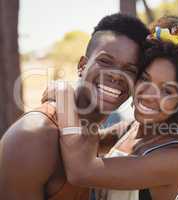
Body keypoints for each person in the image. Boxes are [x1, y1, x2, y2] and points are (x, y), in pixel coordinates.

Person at [51, 16, 178, 200]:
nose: (148, 94)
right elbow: (78, 144)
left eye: (167, 90)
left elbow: (82, 172)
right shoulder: (132, 128)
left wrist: (63, 92)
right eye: (145, 79)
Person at [0, 13, 149, 200]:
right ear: (82, 66)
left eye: (130, 70)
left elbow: (123, 131)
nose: (116, 75)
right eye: (105, 61)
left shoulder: (89, 130)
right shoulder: (34, 136)